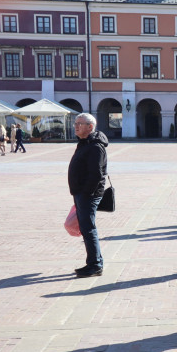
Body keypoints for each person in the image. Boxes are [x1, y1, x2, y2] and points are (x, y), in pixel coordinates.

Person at [68, 113, 108, 277]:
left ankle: (95, 265)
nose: (76, 126)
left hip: (87, 195)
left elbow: (96, 174)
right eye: (75, 123)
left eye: (80, 124)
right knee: (87, 228)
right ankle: (95, 262)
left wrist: (85, 193)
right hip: (81, 193)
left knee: (88, 229)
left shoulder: (94, 146)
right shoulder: (85, 143)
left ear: (90, 127)